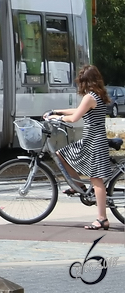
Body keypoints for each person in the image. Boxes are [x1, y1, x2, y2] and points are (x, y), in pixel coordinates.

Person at [46, 64, 115, 230]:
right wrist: (58, 111)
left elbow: (75, 117)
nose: (80, 85)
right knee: (61, 154)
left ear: (86, 81)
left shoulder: (90, 97)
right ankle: (79, 187)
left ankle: (102, 218)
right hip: (92, 140)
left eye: (81, 81)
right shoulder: (97, 95)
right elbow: (79, 110)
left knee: (97, 181)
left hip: (94, 142)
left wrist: (57, 118)